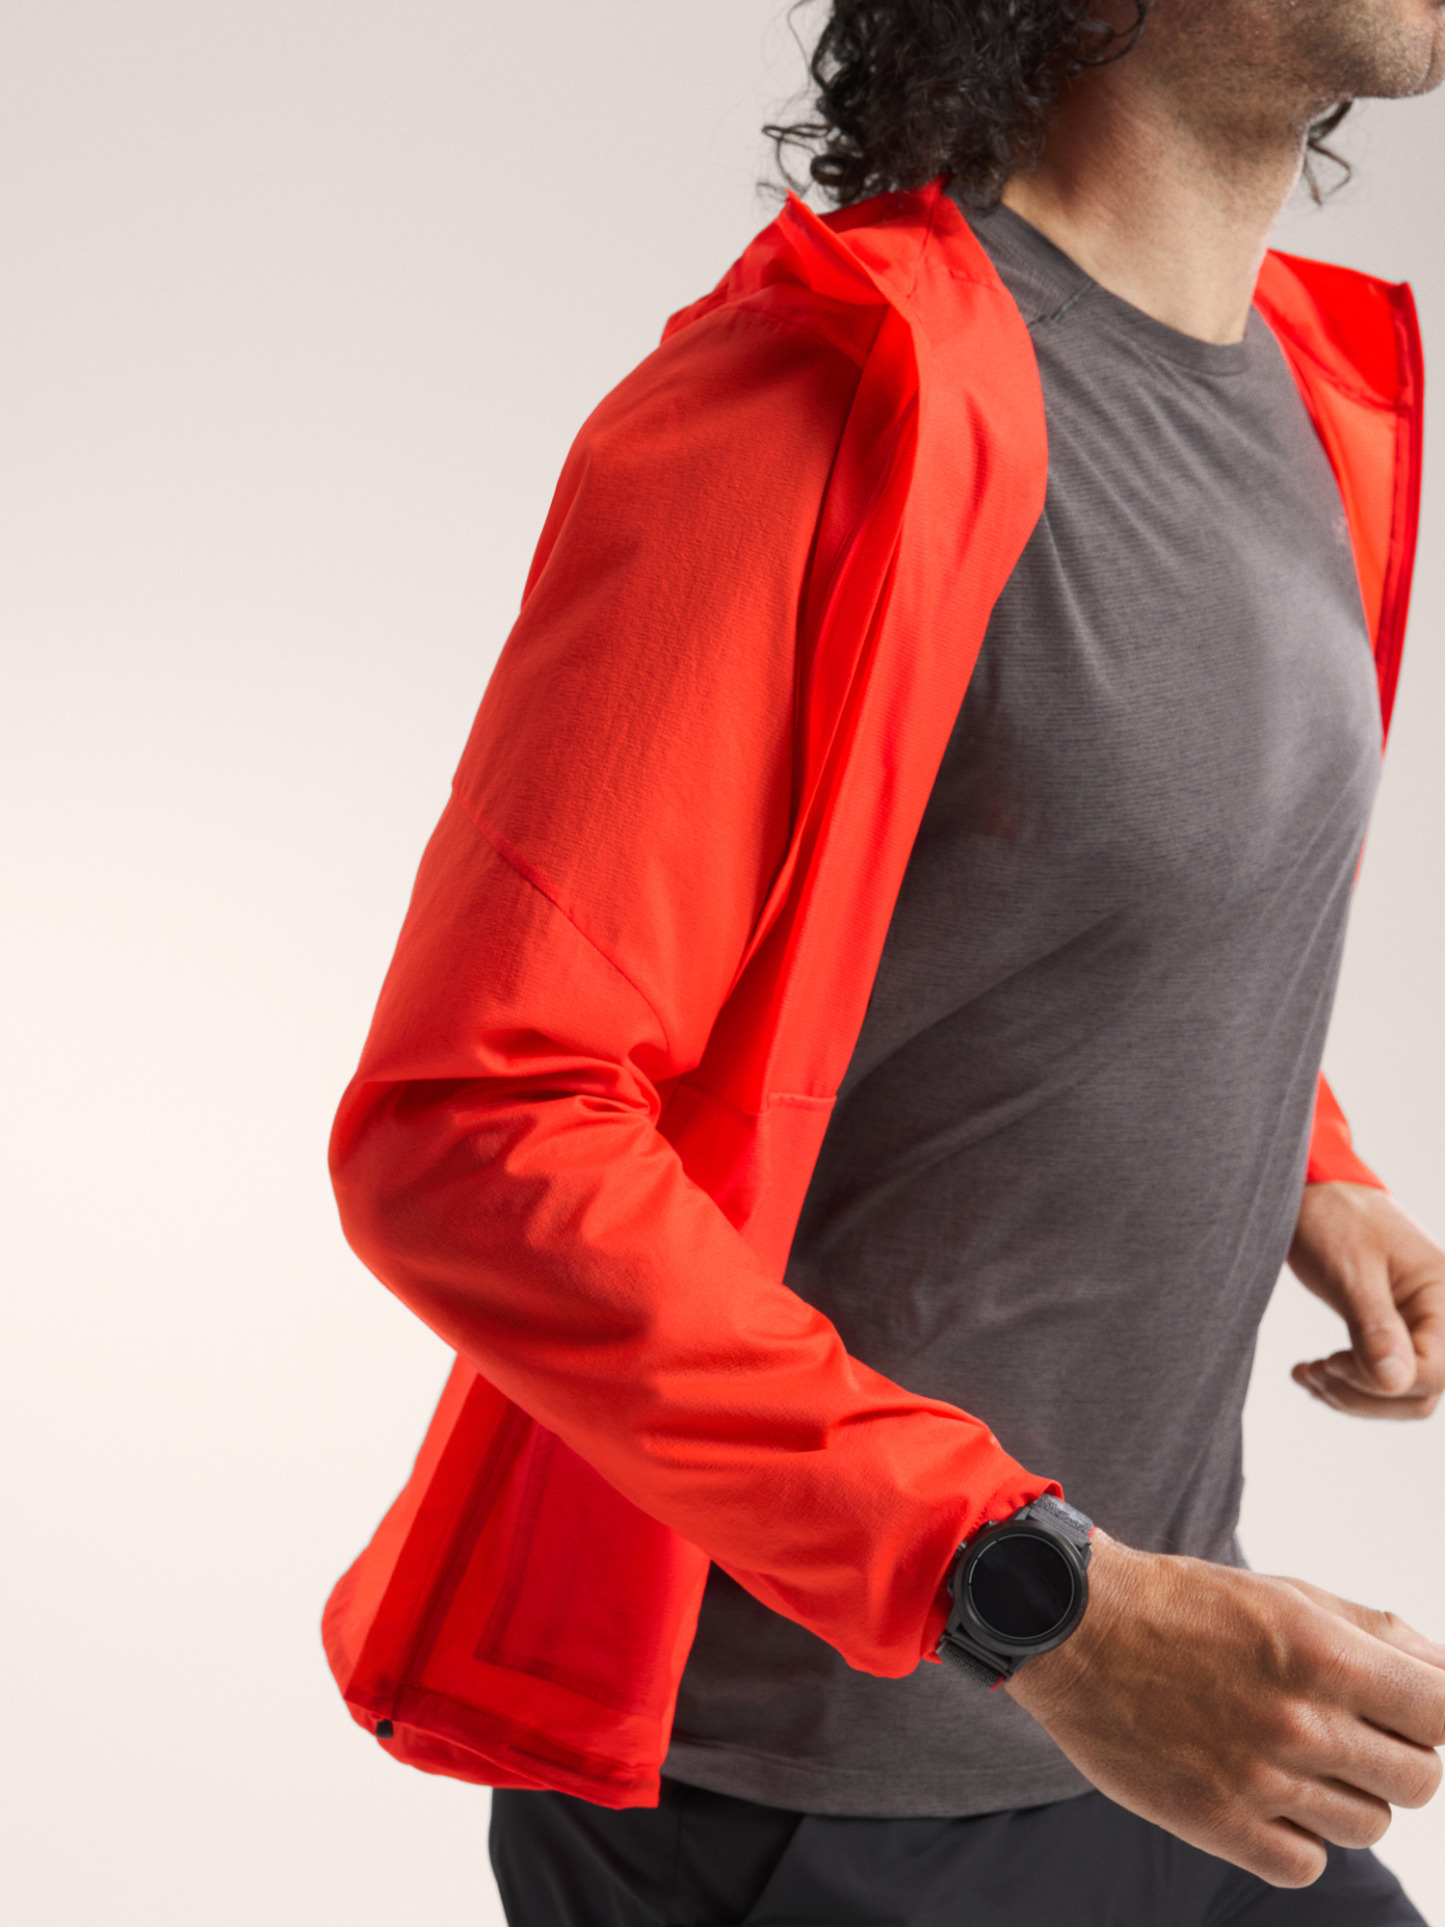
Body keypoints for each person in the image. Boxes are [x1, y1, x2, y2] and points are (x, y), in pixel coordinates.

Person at [322, 2, 1445, 1920]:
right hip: (821, 1794)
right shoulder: (811, 402)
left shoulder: (1297, 382)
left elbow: (1069, 865)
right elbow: (473, 1134)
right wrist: (1040, 1601)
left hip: (1157, 1716)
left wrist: (1310, 1168)